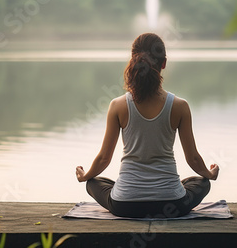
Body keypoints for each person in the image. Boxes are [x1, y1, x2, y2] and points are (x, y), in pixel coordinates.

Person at [75, 33, 219, 218]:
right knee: (201, 183)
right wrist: (210, 174)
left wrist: (85, 176)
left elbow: (104, 159)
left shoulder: (117, 105)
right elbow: (193, 159)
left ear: (133, 60)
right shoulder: (180, 106)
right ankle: (171, 188)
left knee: (94, 183)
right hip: (171, 205)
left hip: (125, 205)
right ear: (164, 63)